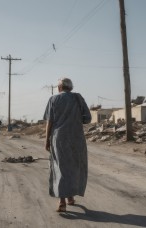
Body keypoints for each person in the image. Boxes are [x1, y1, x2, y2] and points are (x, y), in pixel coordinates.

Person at [43, 77, 91, 212]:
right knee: (73, 167)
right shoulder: (78, 98)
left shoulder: (53, 99)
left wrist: (47, 140)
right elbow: (87, 118)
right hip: (77, 138)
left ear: (59, 88)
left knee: (60, 167)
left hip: (59, 139)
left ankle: (62, 201)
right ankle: (70, 197)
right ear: (71, 88)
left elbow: (49, 122)